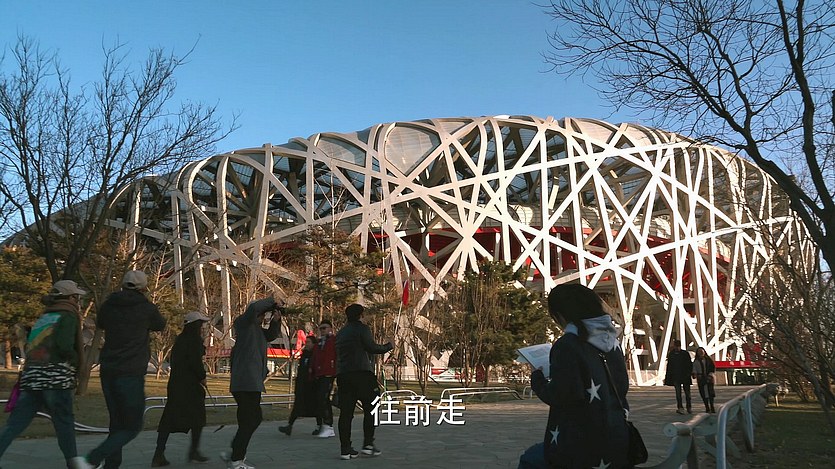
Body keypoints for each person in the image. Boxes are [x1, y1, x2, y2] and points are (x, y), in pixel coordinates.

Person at [518, 283, 630, 469]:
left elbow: (562, 395)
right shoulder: (613, 343)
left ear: (561, 315)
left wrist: (537, 378)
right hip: (616, 438)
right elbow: (622, 386)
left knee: (530, 460)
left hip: (580, 445)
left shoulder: (568, 345)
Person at [0, 280, 93, 469]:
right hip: (55, 378)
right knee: (64, 423)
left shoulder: (45, 316)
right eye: (76, 297)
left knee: (15, 424)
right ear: (70, 297)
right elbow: (64, 345)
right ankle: (74, 462)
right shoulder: (68, 315)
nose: (78, 301)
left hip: (32, 378)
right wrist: (76, 362)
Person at [84, 270, 167, 468]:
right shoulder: (146, 308)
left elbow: (100, 323)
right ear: (143, 288)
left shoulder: (109, 305)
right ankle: (92, 458)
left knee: (116, 421)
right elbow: (160, 324)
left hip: (109, 369)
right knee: (132, 426)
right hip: (131, 370)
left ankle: (112, 464)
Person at [221, 297, 281, 469]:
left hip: (250, 382)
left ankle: (235, 452)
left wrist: (276, 320)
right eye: (262, 314)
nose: (263, 317)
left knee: (249, 420)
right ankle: (236, 459)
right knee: (251, 420)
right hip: (246, 382)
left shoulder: (257, 331)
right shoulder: (244, 324)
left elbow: (270, 335)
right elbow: (254, 309)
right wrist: (272, 301)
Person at [151, 311, 212, 466]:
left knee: (169, 419)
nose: (202, 328)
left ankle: (159, 452)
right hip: (190, 387)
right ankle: (193, 450)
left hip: (176, 385)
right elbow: (195, 362)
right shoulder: (193, 341)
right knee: (197, 418)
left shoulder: (180, 340)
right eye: (201, 325)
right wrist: (202, 376)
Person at [335, 304, 393, 460]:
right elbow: (371, 347)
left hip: (344, 375)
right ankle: (368, 444)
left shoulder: (341, 333)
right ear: (361, 315)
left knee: (346, 413)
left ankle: (345, 449)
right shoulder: (362, 329)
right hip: (361, 374)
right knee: (371, 408)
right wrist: (389, 346)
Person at [278, 333, 321, 436]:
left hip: (312, 386)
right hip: (302, 385)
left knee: (316, 407)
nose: (306, 344)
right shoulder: (304, 354)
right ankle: (289, 426)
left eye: (309, 342)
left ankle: (320, 426)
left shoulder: (316, 355)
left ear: (314, 344)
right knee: (297, 406)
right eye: (306, 342)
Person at [311, 319, 336, 438]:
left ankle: (328, 425)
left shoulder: (334, 341)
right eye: (320, 328)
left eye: (324, 328)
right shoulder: (319, 343)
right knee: (318, 399)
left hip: (328, 374)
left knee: (324, 398)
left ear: (330, 329)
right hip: (319, 374)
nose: (322, 331)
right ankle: (321, 423)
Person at [664, 339, 693, 414]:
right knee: (678, 394)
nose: (677, 348)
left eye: (678, 346)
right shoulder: (672, 354)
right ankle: (680, 407)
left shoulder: (683, 354)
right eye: (676, 346)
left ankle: (688, 407)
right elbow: (669, 366)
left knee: (687, 393)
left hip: (684, 376)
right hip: (677, 377)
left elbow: (689, 365)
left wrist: (689, 373)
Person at [692, 347, 716, 413]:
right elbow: (694, 369)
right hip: (701, 378)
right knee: (703, 393)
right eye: (699, 352)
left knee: (710, 392)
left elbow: (712, 368)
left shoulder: (708, 360)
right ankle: (707, 407)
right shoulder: (696, 362)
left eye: (702, 352)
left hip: (709, 377)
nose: (701, 353)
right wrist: (695, 374)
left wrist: (710, 375)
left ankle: (712, 406)